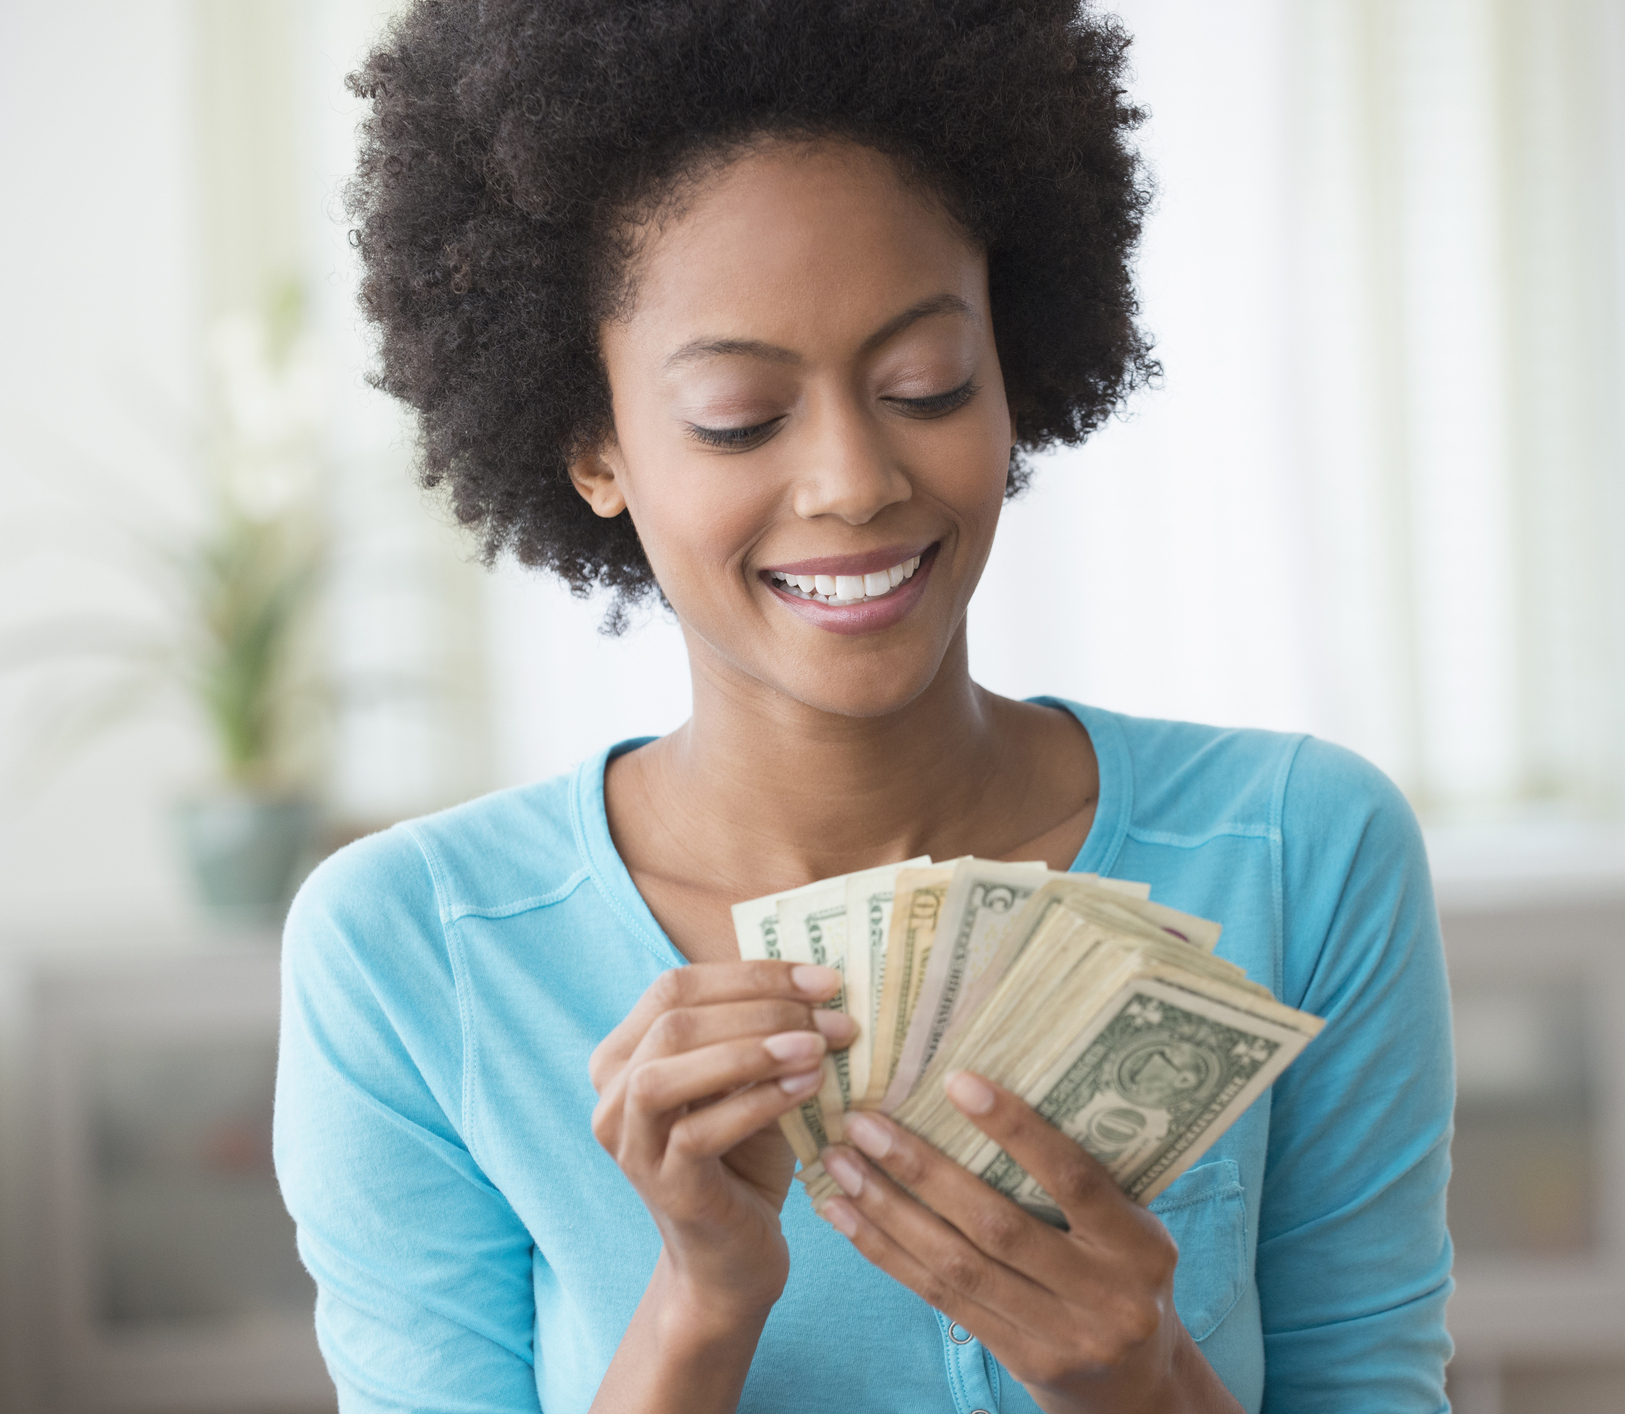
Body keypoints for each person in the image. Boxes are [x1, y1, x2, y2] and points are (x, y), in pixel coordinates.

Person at [272, 2, 1454, 1411]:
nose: (852, 480)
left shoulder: (1302, 853)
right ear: (591, 443)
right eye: (738, 415)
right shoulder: (413, 954)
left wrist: (1149, 1383)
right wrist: (699, 1309)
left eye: (925, 383)